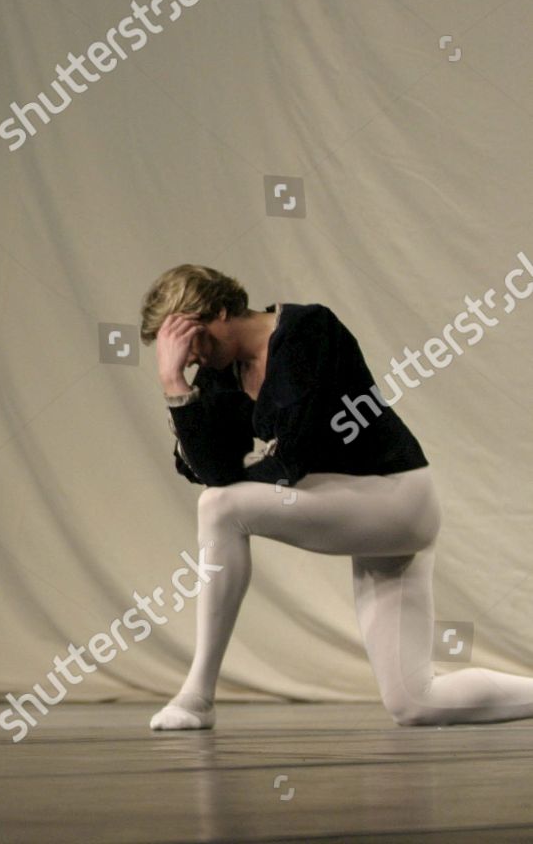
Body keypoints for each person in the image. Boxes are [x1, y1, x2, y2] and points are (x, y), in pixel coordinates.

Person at [139, 263, 533, 730]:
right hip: (354, 508)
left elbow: (295, 456)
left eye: (193, 341)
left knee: (219, 508)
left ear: (221, 311)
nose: (192, 359)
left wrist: (243, 470)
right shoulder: (222, 374)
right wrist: (175, 389)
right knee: (414, 701)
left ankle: (196, 696)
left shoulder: (308, 331)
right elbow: (214, 471)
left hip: (395, 498)